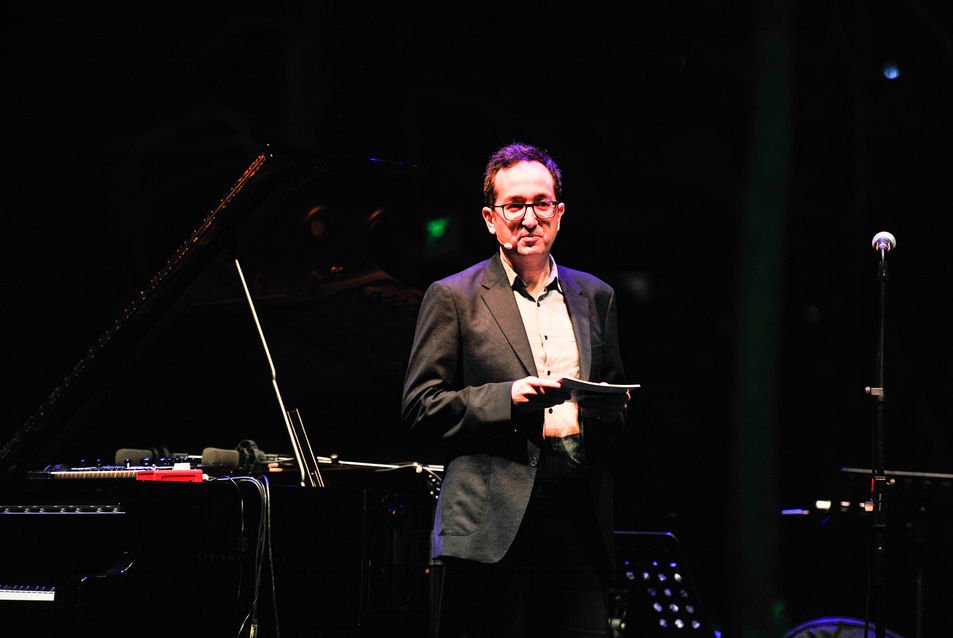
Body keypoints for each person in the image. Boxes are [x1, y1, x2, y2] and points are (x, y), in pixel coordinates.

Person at [402, 142, 629, 637]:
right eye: (514, 205)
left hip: (578, 516)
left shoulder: (596, 295)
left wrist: (611, 410)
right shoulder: (454, 296)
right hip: (490, 522)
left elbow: (611, 395)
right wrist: (508, 397)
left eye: (541, 203)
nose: (529, 218)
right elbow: (420, 405)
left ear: (559, 213)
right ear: (491, 218)